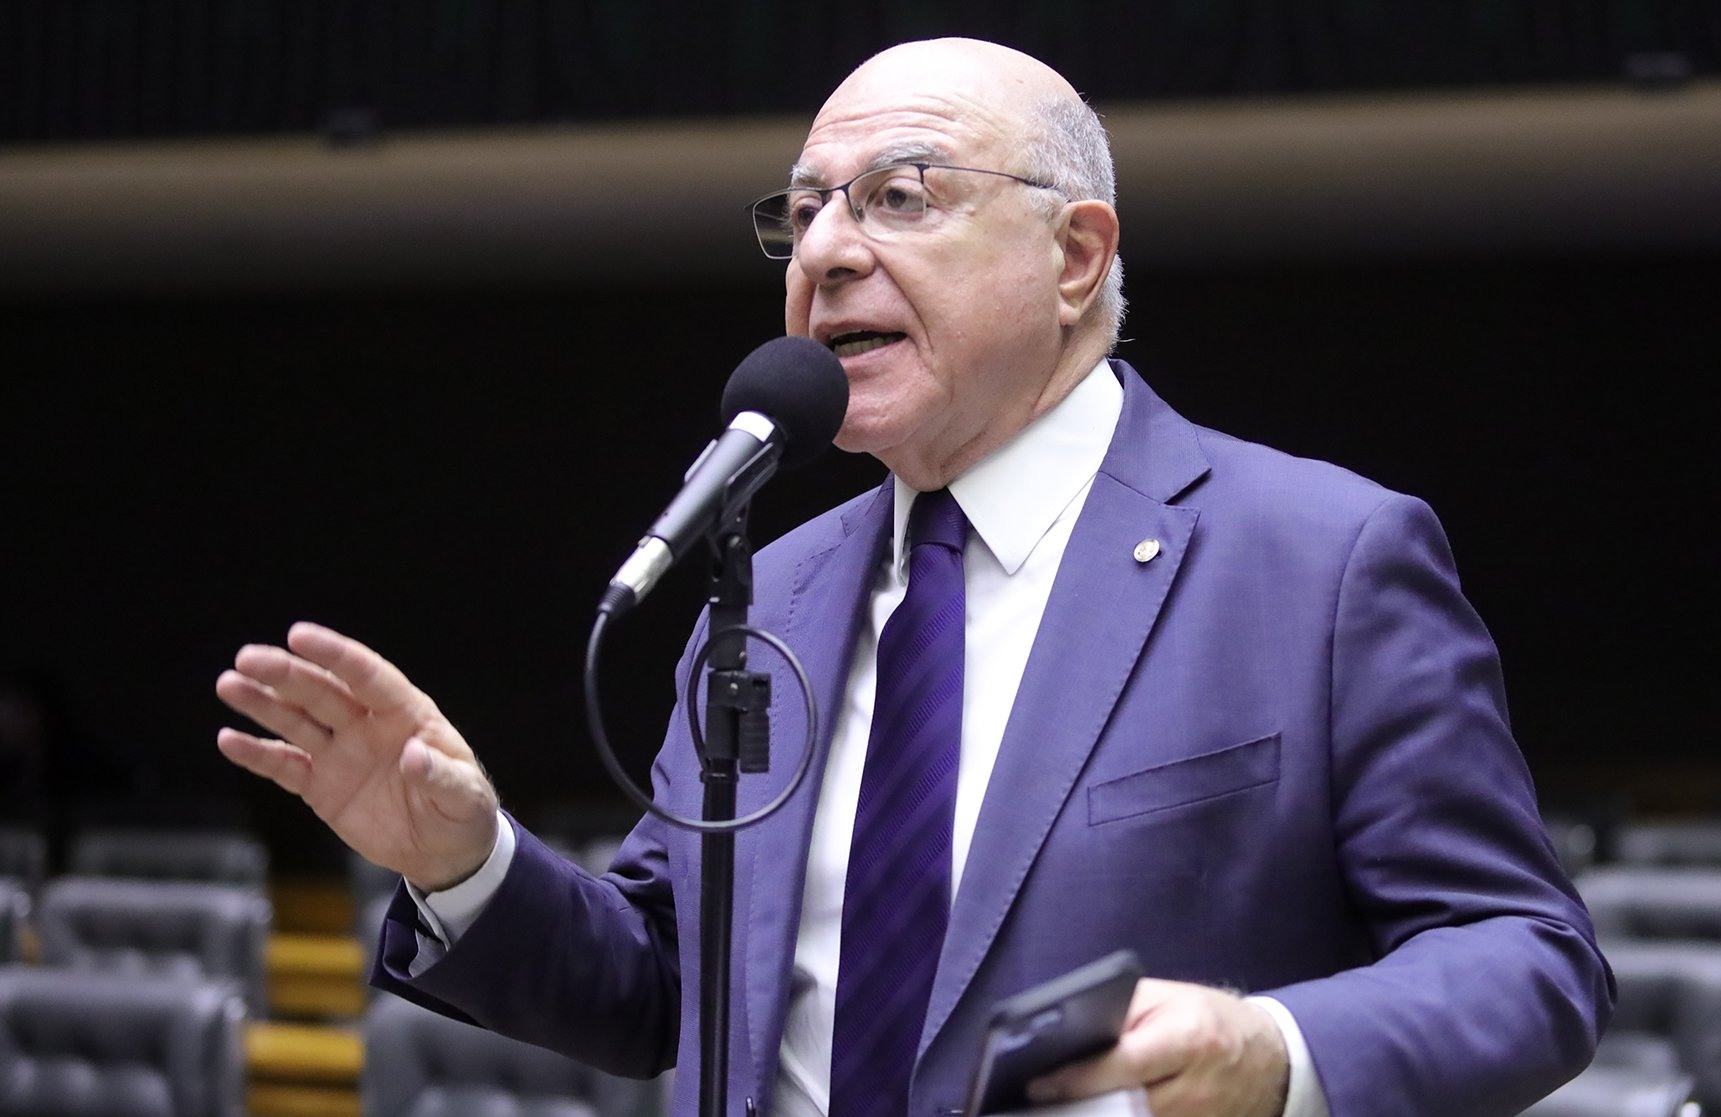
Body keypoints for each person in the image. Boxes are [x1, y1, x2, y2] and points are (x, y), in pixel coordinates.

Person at [216, 38, 1612, 1117]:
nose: (826, 250)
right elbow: (663, 981)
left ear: (1075, 256)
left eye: (898, 197)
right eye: (806, 211)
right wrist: (464, 861)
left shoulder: (1320, 559)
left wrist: (1278, 1050)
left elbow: (1529, 956)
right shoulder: (767, 593)